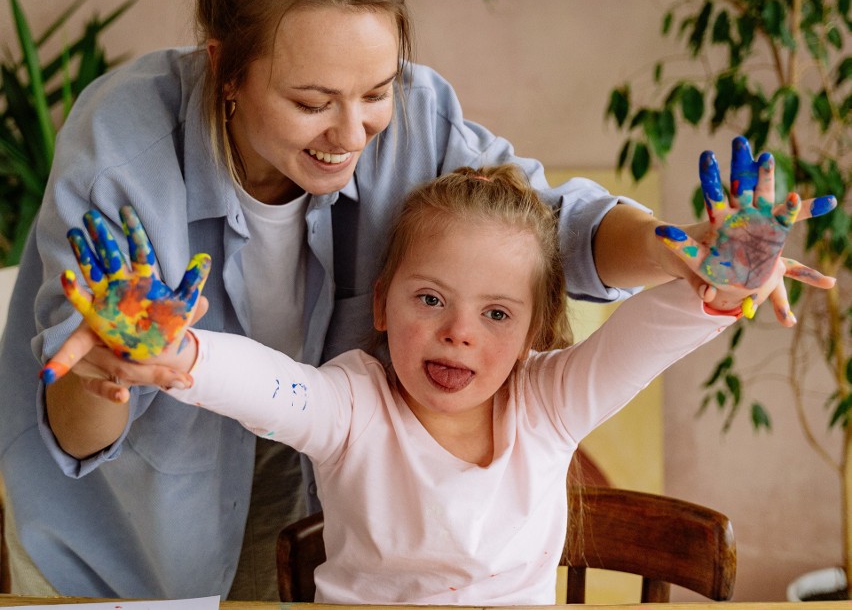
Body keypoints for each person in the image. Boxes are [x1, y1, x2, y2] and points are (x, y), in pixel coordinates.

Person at [0, 0, 825, 598]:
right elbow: (87, 426)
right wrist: (128, 363)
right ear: (226, 69)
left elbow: (547, 230)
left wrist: (694, 259)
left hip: (309, 484)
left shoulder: (535, 391)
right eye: (312, 101)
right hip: (137, 530)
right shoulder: (124, 150)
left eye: (375, 92)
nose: (352, 133)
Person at [43, 155, 834, 605]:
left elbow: (643, 340)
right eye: (431, 299)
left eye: (497, 314)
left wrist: (719, 287)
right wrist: (182, 355)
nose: (459, 330)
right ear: (381, 304)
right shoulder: (354, 403)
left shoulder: (548, 402)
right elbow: (273, 388)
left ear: (535, 329)